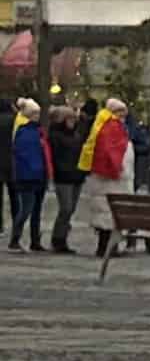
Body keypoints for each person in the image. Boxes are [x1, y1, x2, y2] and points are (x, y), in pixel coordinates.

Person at [82, 99, 133, 261]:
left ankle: (105, 246)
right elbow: (115, 153)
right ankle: (110, 247)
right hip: (113, 179)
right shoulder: (113, 127)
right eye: (121, 112)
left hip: (101, 178)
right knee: (110, 213)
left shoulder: (101, 125)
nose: (124, 116)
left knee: (104, 212)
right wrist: (122, 171)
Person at [9, 99, 49, 252]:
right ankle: (15, 238)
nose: (37, 116)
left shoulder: (38, 131)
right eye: (35, 113)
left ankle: (35, 240)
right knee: (26, 209)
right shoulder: (24, 131)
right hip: (28, 175)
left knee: (36, 211)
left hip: (38, 174)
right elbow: (23, 154)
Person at [45, 104, 83, 255]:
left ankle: (62, 237)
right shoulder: (55, 135)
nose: (73, 121)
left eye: (74, 118)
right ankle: (58, 238)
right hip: (63, 176)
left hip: (76, 175)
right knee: (66, 208)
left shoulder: (76, 134)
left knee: (71, 209)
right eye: (69, 118)